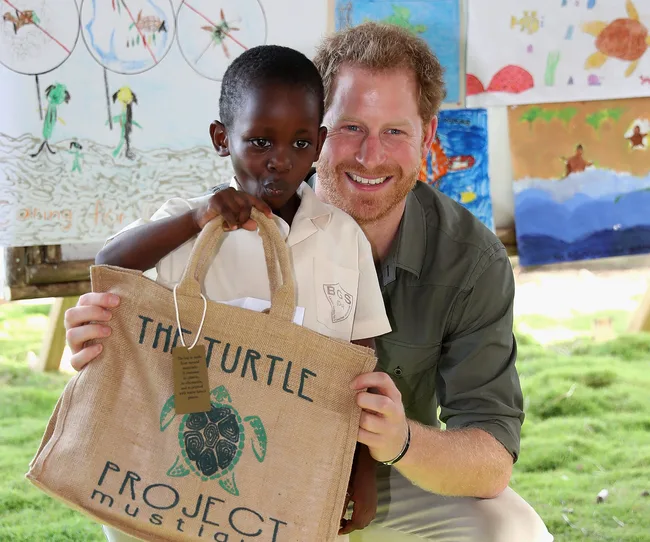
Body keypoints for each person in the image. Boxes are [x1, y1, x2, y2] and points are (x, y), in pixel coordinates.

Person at [65, 23, 553, 542]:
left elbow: (490, 460)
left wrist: (392, 446)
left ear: (427, 136)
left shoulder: (467, 259)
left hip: (372, 473)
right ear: (322, 128)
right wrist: (101, 332)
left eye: (394, 130)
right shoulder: (205, 224)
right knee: (136, 511)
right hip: (204, 458)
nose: (370, 155)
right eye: (350, 127)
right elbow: (122, 287)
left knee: (511, 532)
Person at [87, 44, 391, 541]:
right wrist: (194, 220)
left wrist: (360, 471)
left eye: (298, 144)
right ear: (221, 138)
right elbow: (109, 264)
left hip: (295, 467)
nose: (279, 161)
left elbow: (357, 364)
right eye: (259, 142)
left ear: (319, 143)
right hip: (188, 464)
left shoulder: (342, 236)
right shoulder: (190, 223)